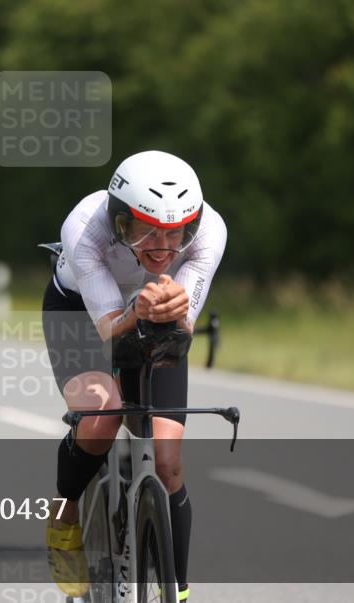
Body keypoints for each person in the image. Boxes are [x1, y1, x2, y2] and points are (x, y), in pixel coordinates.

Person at [42, 150, 227, 601]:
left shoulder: (211, 232)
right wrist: (139, 310)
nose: (162, 249)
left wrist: (173, 313)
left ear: (194, 224)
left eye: (176, 234)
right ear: (119, 219)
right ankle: (65, 511)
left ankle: (177, 589)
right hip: (80, 315)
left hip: (156, 318)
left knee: (167, 458)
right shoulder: (84, 228)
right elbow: (109, 330)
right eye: (144, 231)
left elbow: (180, 328)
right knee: (102, 415)